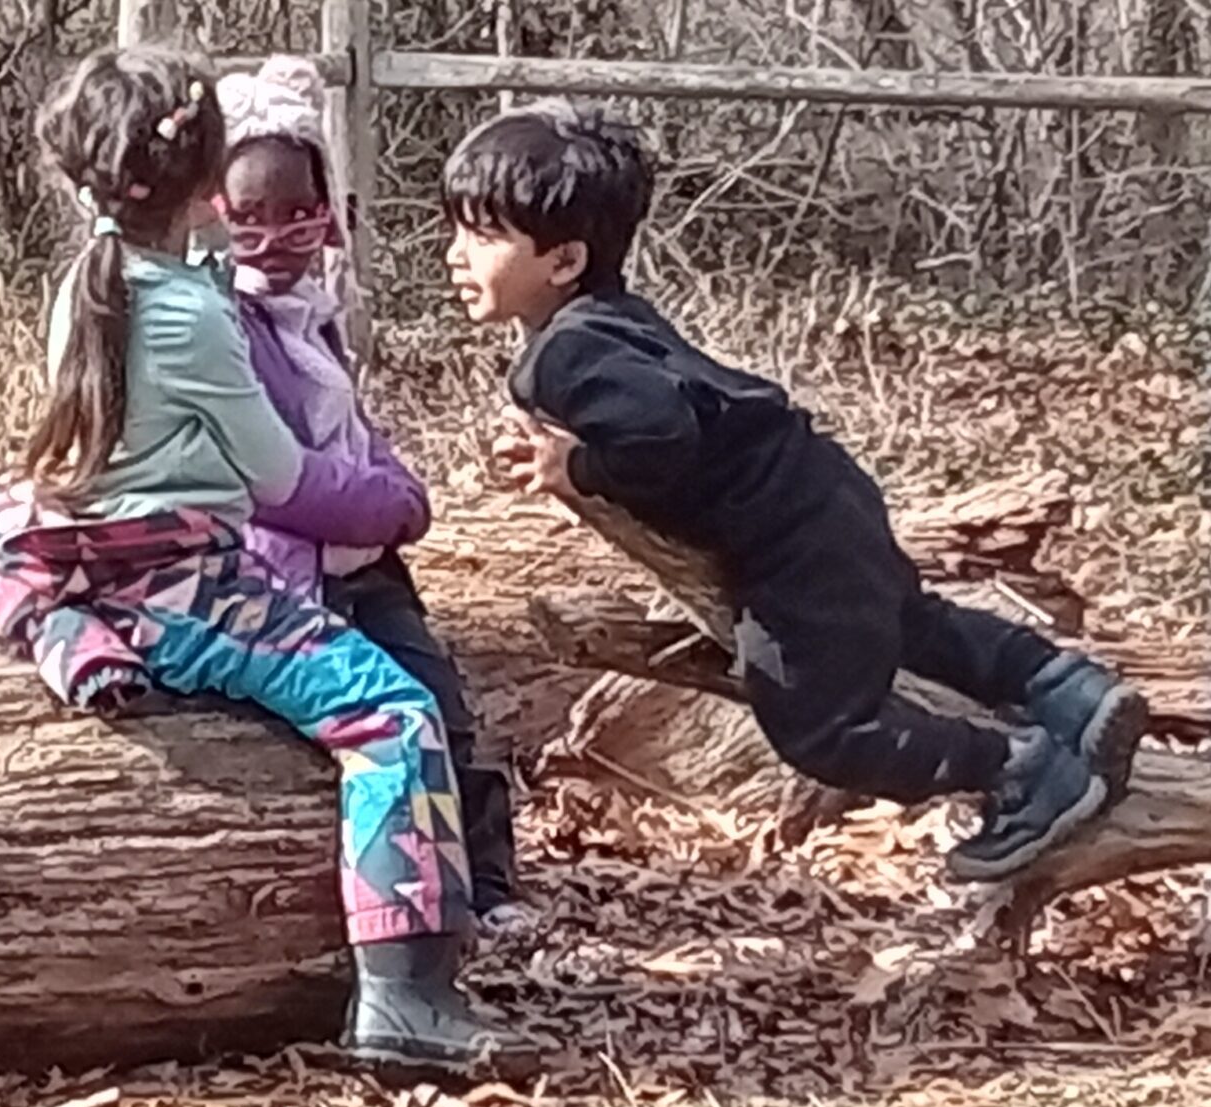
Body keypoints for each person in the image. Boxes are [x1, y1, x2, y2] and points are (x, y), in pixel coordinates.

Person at [0, 44, 531, 1068]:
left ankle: (70, 631)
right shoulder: (193, 311)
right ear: (207, 185)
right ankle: (410, 999)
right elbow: (281, 480)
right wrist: (397, 504)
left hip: (111, 561)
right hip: (183, 583)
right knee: (397, 716)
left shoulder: (90, 282)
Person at [449, 100, 1146, 880]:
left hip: (784, 542)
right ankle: (1070, 688)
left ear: (565, 260)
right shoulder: (609, 320)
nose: (455, 254)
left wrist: (573, 469)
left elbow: (662, 437)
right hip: (820, 483)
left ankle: (1022, 767)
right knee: (908, 621)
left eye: (483, 236)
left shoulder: (561, 356)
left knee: (820, 730)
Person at [213, 55, 529, 938]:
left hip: (366, 566)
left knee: (444, 708)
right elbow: (272, 478)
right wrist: (390, 505)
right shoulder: (218, 323)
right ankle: (401, 908)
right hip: (282, 573)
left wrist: (393, 481)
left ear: (329, 214)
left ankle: (491, 887)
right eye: (250, 220)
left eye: (296, 216)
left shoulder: (321, 308)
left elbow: (346, 431)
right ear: (215, 217)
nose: (274, 241)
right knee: (380, 721)